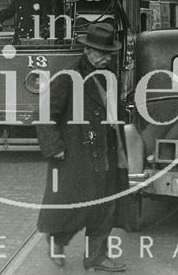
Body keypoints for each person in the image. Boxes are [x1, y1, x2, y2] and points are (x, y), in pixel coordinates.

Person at [36, 23, 128, 272]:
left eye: (110, 53)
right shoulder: (68, 77)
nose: (107, 58)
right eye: (102, 53)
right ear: (87, 50)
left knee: (105, 208)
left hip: (106, 153)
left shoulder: (109, 77)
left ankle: (96, 257)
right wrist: (54, 147)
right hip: (77, 155)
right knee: (75, 209)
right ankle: (57, 240)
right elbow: (44, 115)